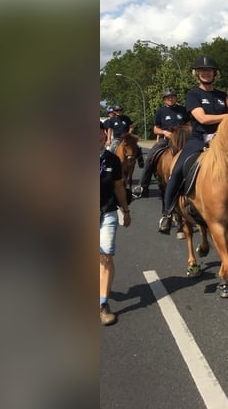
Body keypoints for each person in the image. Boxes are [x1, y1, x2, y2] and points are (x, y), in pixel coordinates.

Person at [160, 55, 228, 234]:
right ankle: (167, 212)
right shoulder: (193, 94)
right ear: (197, 74)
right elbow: (202, 118)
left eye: (209, 70)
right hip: (199, 139)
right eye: (202, 71)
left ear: (215, 73)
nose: (206, 73)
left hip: (221, 140)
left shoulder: (223, 95)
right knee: (176, 170)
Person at [100, 121, 132, 326]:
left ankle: (102, 303)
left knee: (106, 255)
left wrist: (126, 211)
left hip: (107, 212)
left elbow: (119, 187)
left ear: (104, 135)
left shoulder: (112, 159)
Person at [133, 88, 190, 199]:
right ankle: (142, 186)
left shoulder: (183, 110)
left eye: (172, 97)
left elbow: (189, 124)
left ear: (176, 98)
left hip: (183, 140)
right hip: (166, 139)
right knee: (150, 157)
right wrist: (164, 132)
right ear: (164, 100)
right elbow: (155, 129)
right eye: (168, 98)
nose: (170, 99)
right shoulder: (161, 111)